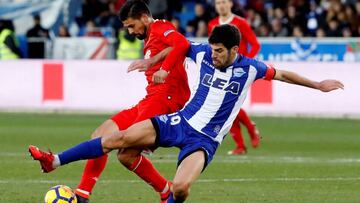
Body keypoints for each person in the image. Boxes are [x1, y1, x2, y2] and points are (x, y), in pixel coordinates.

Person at [29, 24, 344, 202]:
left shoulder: (251, 68)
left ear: (235, 51)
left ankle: (168, 197)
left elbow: (285, 74)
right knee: (119, 141)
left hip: (204, 140)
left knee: (181, 189)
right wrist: (153, 62)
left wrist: (318, 84)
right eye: (213, 49)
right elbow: (178, 48)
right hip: (180, 121)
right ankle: (54, 161)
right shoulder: (204, 51)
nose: (214, 54)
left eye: (220, 51)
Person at [52, 1, 190, 202]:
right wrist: (153, 62)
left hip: (165, 99)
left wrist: (164, 68)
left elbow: (183, 44)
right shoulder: (151, 34)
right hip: (150, 98)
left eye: (131, 26)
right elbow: (172, 48)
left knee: (124, 152)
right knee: (100, 135)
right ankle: (83, 193)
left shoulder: (160, 27)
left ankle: (57, 163)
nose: (131, 31)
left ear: (144, 17)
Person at [208, 0, 262, 155]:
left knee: (230, 105)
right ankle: (242, 143)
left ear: (231, 4)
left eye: (224, 2)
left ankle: (249, 133)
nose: (221, 5)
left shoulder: (241, 23)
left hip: (239, 72)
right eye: (218, 3)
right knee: (228, 107)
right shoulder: (212, 24)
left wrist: (245, 63)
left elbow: (255, 45)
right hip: (223, 70)